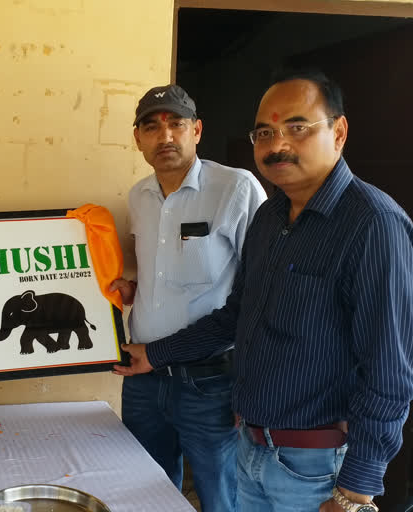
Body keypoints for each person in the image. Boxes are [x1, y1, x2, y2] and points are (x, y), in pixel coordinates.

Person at [114, 69, 413, 512]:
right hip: (251, 446)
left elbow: (389, 372)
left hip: (315, 465)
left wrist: (355, 492)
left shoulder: (373, 224)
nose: (277, 145)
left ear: (339, 131)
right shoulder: (271, 219)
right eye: (265, 133)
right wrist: (153, 353)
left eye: (297, 128)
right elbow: (238, 315)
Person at [109, 84, 266, 512]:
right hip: (141, 377)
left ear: (196, 130)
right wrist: (134, 291)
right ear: (137, 138)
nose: (165, 137)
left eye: (176, 124)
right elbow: (173, 278)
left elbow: (259, 293)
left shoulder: (236, 188)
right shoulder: (138, 197)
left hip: (209, 380)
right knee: (145, 492)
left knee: (222, 496)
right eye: (151, 127)